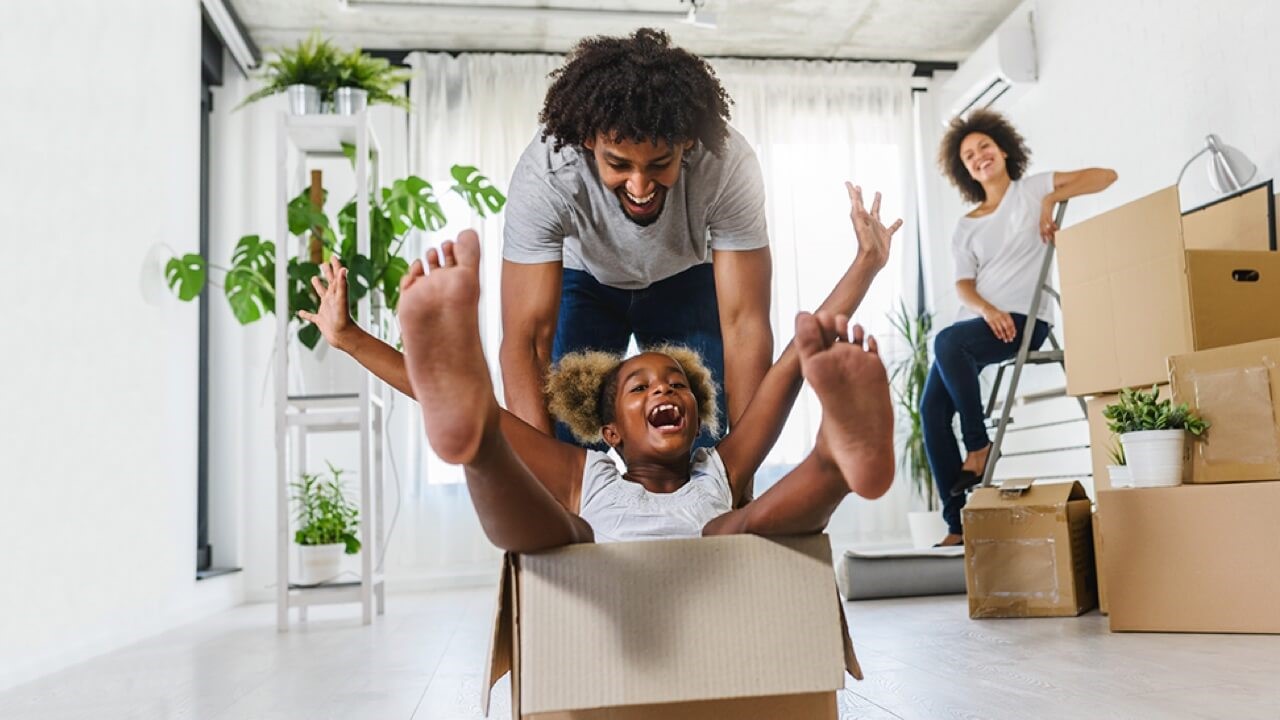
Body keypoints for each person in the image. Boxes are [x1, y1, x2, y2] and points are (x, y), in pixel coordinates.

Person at [394, 186, 899, 550]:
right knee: (564, 533)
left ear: (697, 418)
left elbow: (790, 366)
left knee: (738, 527)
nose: (665, 389)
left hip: (711, 570)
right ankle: (475, 446)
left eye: (677, 384)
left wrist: (866, 264)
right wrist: (353, 340)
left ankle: (835, 460)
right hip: (601, 575)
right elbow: (454, 397)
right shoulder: (587, 475)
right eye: (640, 387)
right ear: (609, 432)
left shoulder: (718, 470)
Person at [500, 28, 773, 456]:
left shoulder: (727, 165)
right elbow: (527, 342)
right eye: (619, 164)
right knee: (566, 437)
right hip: (585, 279)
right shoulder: (546, 176)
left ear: (687, 143)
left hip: (684, 277)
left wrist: (741, 471)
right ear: (589, 143)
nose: (640, 184)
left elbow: (745, 327)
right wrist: (544, 478)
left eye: (660, 163)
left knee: (706, 437)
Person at [923, 109, 1117, 547]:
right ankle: (956, 524)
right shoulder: (966, 225)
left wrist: (1049, 202)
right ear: (964, 170)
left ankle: (978, 446)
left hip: (1027, 321)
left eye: (984, 147)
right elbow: (962, 285)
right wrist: (988, 310)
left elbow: (1106, 175)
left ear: (1004, 148)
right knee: (931, 412)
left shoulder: (1032, 190)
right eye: (969, 155)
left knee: (948, 342)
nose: (979, 157)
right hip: (978, 324)